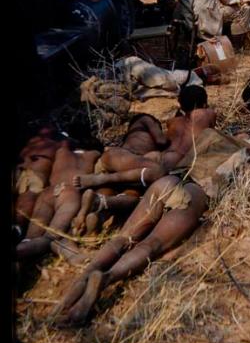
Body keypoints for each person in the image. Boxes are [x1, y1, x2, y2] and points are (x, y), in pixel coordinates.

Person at [53, 174, 209, 325]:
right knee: (150, 244)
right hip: (195, 193)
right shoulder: (233, 158)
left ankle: (74, 291)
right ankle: (106, 278)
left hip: (169, 181)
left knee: (123, 238)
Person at [72, 85, 216, 190]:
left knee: (142, 172)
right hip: (176, 162)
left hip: (156, 156)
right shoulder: (207, 113)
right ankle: (104, 180)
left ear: (182, 105)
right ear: (204, 103)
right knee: (153, 173)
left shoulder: (172, 122)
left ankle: (106, 181)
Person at [70, 113, 169, 237]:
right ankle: (102, 179)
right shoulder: (145, 118)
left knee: (133, 196)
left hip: (118, 162)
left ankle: (98, 210)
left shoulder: (131, 137)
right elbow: (162, 140)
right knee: (157, 171)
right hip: (124, 156)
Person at [16, 138, 101, 262]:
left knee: (30, 238)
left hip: (48, 192)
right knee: (51, 237)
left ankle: (21, 254)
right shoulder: (93, 154)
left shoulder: (61, 151)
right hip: (69, 192)